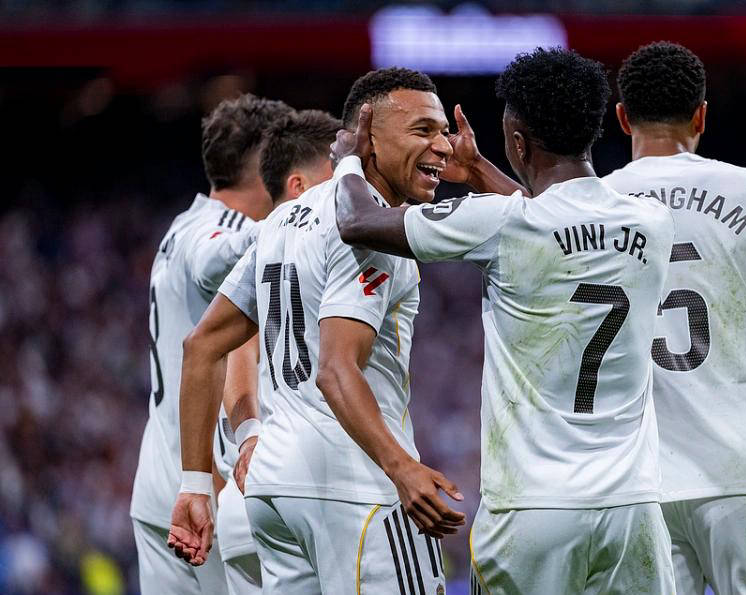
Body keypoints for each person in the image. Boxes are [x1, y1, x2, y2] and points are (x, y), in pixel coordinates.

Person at [333, 47, 677, 594]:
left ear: (518, 142)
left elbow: (357, 221)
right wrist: (479, 170)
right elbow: (556, 222)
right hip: (632, 506)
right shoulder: (653, 222)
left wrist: (349, 160)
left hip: (530, 510)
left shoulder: (501, 223)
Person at [166, 67, 515, 594]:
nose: (443, 147)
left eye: (443, 131)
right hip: (356, 488)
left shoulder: (281, 221)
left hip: (275, 492)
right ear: (369, 136)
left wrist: (195, 484)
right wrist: (402, 468)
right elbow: (335, 370)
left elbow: (203, 344)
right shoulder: (376, 229)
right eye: (423, 130)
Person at [603, 41, 746, 594]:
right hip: (744, 473)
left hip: (637, 485)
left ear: (623, 117)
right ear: (702, 115)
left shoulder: (591, 204)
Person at [130, 93, 293, 595]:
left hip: (161, 487)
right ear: (265, 164)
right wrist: (293, 222)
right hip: (209, 495)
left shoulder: (181, 226)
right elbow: (212, 260)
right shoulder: (225, 229)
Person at [213, 108, 341, 595]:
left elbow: (231, 356)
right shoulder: (317, 249)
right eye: (337, 173)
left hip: (248, 494)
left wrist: (247, 439)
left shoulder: (262, 254)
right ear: (298, 185)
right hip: (311, 487)